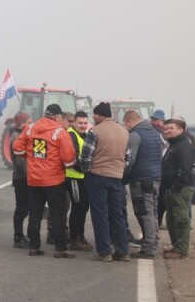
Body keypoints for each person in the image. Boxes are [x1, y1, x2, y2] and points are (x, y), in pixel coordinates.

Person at [13, 104, 77, 258]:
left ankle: (34, 246)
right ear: (57, 117)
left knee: (34, 213)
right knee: (57, 214)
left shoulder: (31, 128)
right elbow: (69, 160)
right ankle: (60, 248)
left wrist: (30, 157)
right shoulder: (60, 132)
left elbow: (17, 148)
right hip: (54, 180)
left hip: (34, 179)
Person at [81, 102, 131, 262]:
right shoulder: (124, 132)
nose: (93, 118)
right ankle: (122, 251)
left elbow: (86, 157)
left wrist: (87, 171)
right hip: (116, 177)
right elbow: (128, 158)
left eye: (94, 115)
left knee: (100, 214)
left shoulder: (95, 131)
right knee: (117, 214)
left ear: (99, 115)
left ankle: (104, 252)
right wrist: (119, 170)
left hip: (98, 176)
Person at [122, 110, 163, 259]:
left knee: (144, 212)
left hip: (141, 179)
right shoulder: (154, 132)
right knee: (153, 212)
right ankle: (151, 240)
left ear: (129, 122)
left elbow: (130, 159)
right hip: (155, 177)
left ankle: (149, 247)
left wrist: (122, 175)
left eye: (126, 125)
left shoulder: (135, 134)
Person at [162, 117, 195, 260]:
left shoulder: (183, 145)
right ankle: (176, 246)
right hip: (172, 187)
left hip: (181, 188)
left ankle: (181, 250)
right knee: (171, 219)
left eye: (171, 128)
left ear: (180, 130)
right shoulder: (173, 144)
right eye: (166, 129)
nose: (167, 131)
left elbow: (186, 169)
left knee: (180, 218)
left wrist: (177, 185)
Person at [66, 111, 93, 251]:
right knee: (77, 207)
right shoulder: (71, 135)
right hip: (74, 176)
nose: (83, 125)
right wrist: (85, 169)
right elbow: (73, 157)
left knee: (83, 207)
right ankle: (74, 238)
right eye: (80, 123)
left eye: (85, 123)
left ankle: (80, 236)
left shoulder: (85, 135)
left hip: (82, 177)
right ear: (74, 123)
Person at [8, 111, 32, 249]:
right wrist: (30, 176)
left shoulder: (21, 135)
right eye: (29, 122)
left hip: (23, 177)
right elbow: (21, 162)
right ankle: (18, 236)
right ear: (22, 124)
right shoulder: (17, 138)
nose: (31, 125)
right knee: (22, 209)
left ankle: (20, 235)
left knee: (24, 208)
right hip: (22, 178)